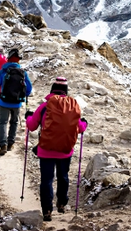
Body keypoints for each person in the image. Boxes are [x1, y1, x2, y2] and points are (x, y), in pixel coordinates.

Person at [26, 77, 87, 222]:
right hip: (65, 150)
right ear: (66, 92)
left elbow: (32, 126)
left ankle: (47, 210)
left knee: (46, 180)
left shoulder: (44, 106)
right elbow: (80, 128)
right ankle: (61, 203)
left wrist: (28, 117)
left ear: (52, 90)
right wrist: (85, 123)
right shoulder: (72, 107)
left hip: (46, 149)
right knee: (63, 177)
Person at [0, 48, 32, 155]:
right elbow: (29, 88)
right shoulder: (23, 72)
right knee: (14, 122)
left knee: (3, 123)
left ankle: (2, 145)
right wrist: (24, 95)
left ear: (8, 59)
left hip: (4, 101)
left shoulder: (4, 71)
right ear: (18, 60)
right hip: (17, 102)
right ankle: (10, 143)